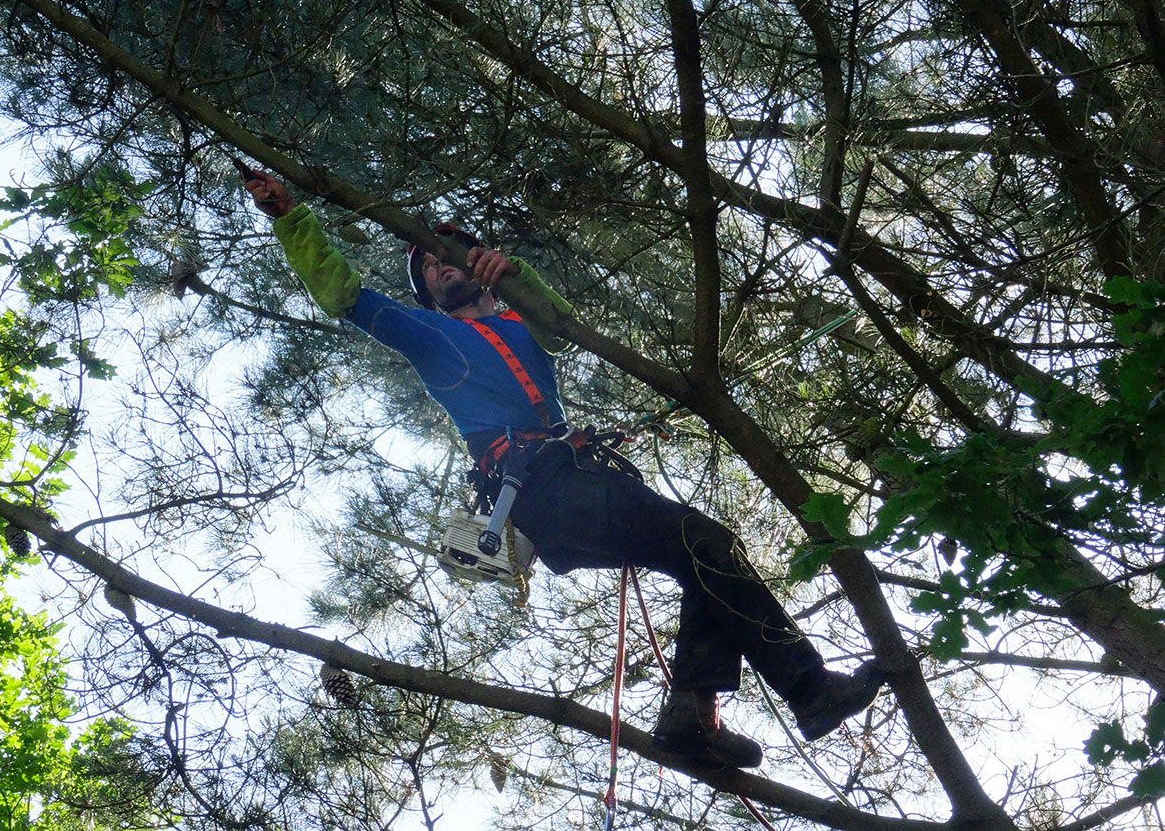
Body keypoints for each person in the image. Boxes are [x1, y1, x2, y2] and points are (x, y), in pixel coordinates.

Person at [244, 169, 884, 768]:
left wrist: (516, 273)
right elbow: (344, 295)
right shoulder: (433, 339)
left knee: (704, 555)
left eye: (451, 253)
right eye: (427, 266)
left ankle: (695, 714)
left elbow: (560, 328)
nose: (439, 265)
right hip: (544, 489)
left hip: (576, 485)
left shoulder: (522, 325)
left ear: (480, 267)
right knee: (704, 544)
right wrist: (291, 218)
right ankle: (804, 688)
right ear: (428, 298)